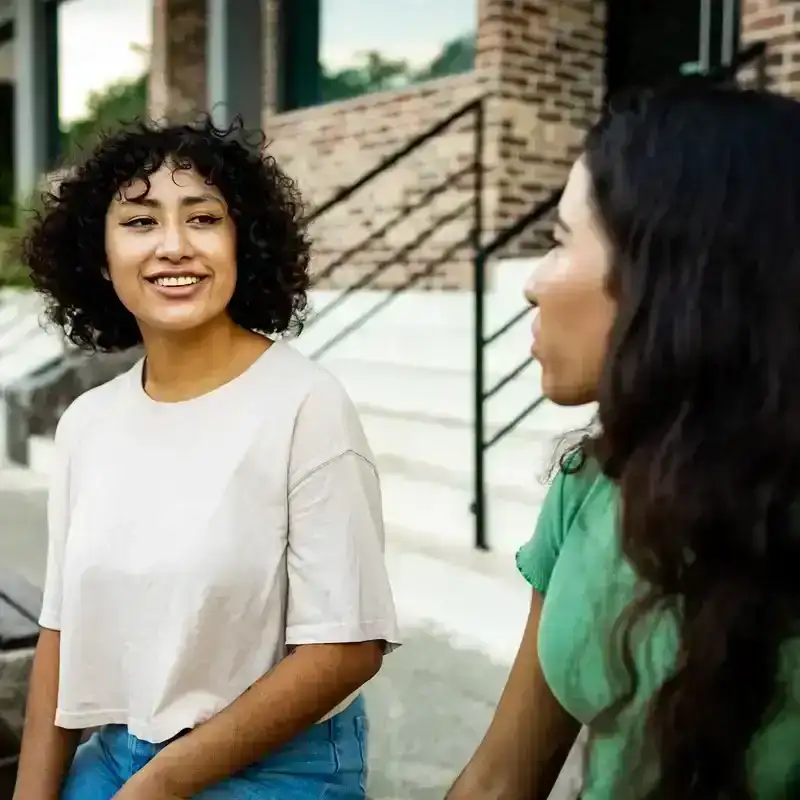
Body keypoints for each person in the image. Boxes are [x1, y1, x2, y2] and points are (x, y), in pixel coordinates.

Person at [13, 118, 400, 800]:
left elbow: (346, 648)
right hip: (120, 750)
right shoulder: (87, 423)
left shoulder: (305, 406)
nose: (173, 246)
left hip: (280, 763)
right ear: (99, 256)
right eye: (140, 221)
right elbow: (60, 630)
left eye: (203, 218)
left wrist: (158, 787)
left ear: (241, 244)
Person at [447, 81, 800, 799]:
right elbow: (501, 779)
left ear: (675, 277)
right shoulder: (591, 481)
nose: (530, 286)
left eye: (556, 242)